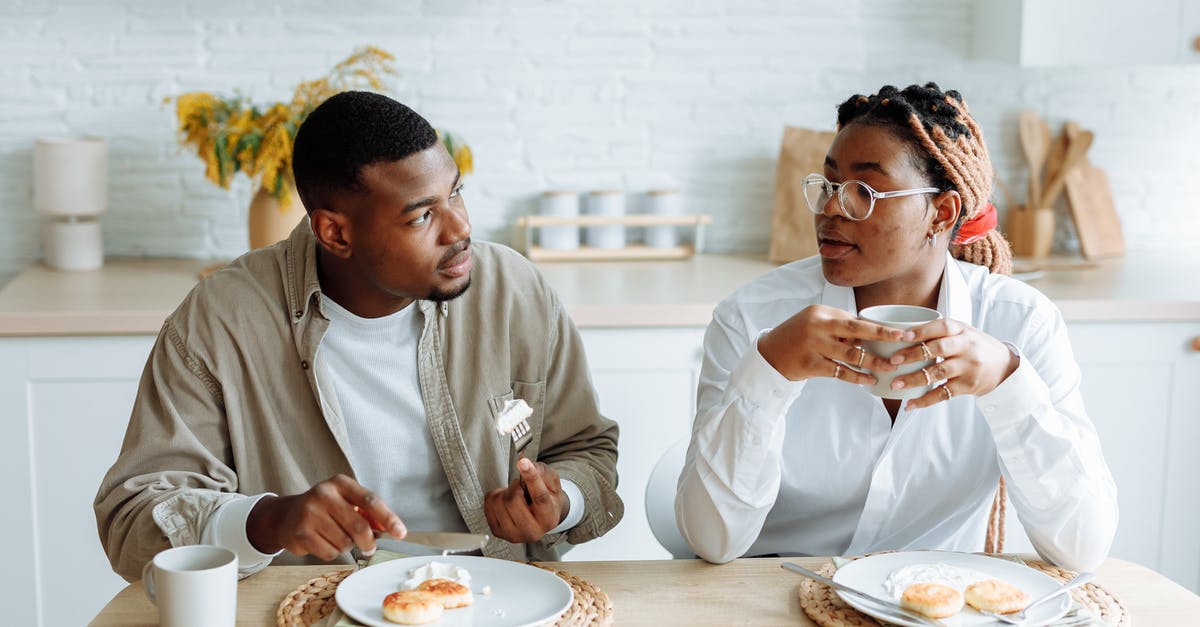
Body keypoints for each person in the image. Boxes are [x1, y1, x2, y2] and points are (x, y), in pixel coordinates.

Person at [95, 91, 623, 581]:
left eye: (456, 192)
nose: (460, 228)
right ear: (336, 233)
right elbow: (132, 521)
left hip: (494, 595)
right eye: (421, 216)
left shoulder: (513, 290)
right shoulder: (221, 320)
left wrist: (560, 501)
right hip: (304, 602)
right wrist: (268, 520)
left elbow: (588, 449)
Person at [675, 83, 1116, 572]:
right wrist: (769, 372)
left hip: (939, 602)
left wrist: (1008, 383)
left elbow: (1083, 547)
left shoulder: (1021, 323)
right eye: (828, 185)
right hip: (775, 592)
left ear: (941, 213)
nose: (830, 209)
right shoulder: (753, 318)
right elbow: (712, 539)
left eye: (864, 191)